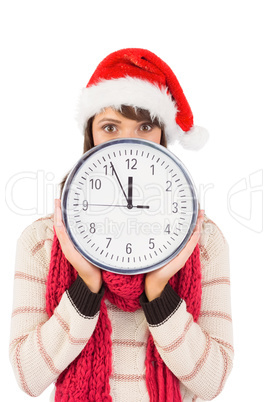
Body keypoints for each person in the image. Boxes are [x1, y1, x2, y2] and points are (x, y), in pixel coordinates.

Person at [9, 48, 234, 401]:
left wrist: (159, 293)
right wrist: (86, 286)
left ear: (162, 137)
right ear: (91, 136)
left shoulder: (201, 241)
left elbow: (212, 382)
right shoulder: (43, 240)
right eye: (110, 127)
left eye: (145, 126)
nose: (128, 143)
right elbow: (28, 376)